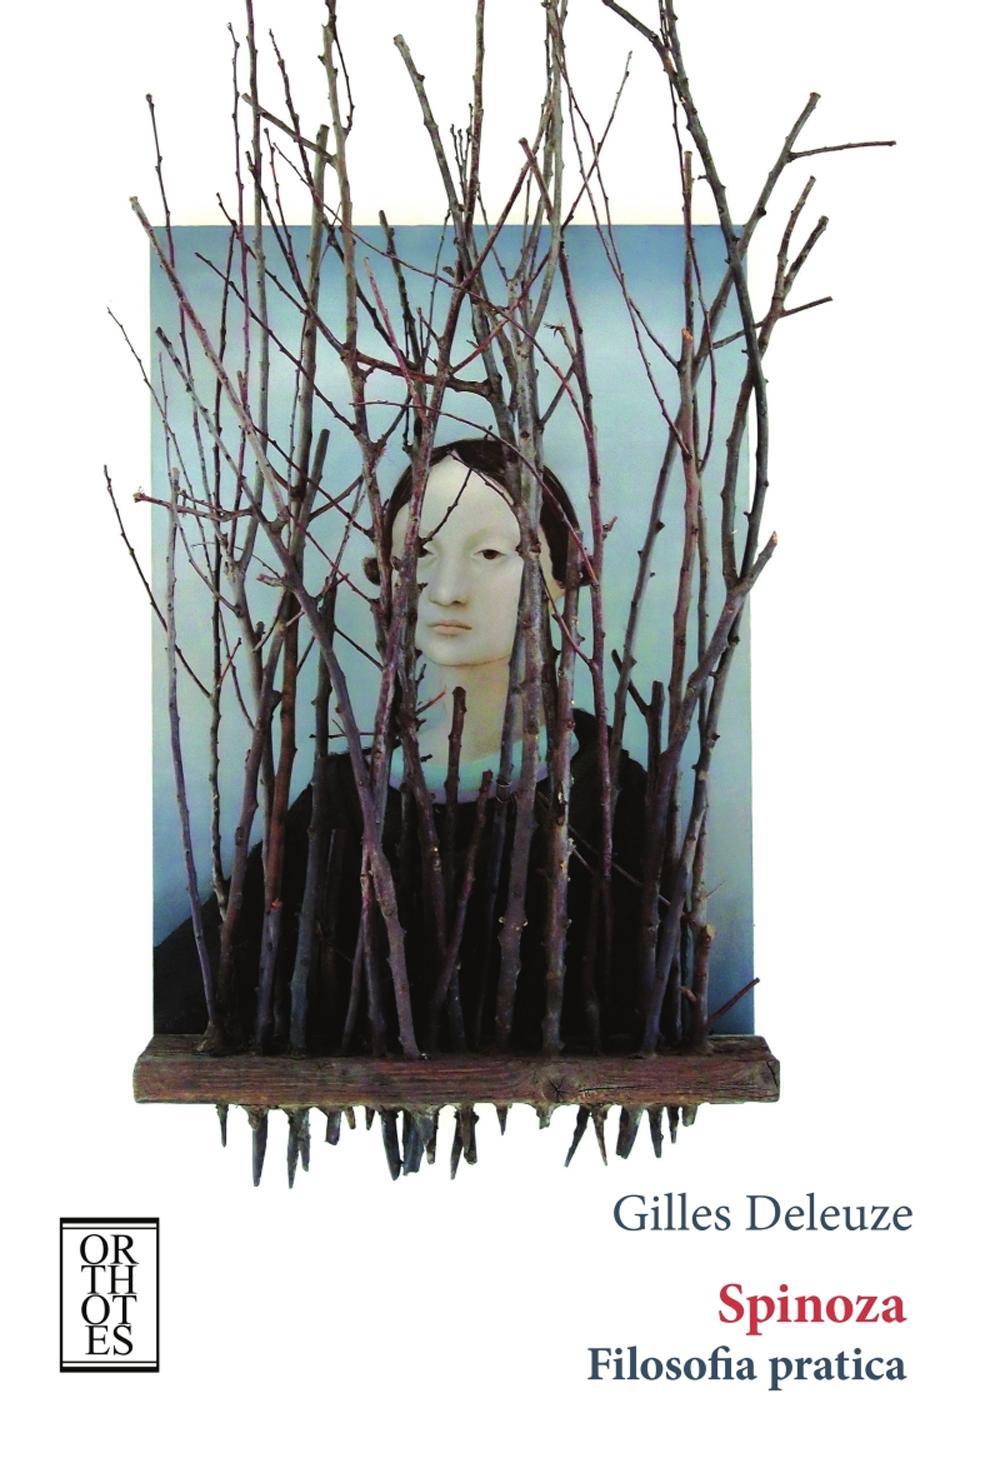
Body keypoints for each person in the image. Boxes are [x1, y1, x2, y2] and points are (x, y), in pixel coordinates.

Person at [155, 437, 648, 1053]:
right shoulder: (349, 798)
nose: (446, 590)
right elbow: (191, 986)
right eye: (419, 553)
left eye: (490, 553)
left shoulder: (605, 794)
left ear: (562, 577)